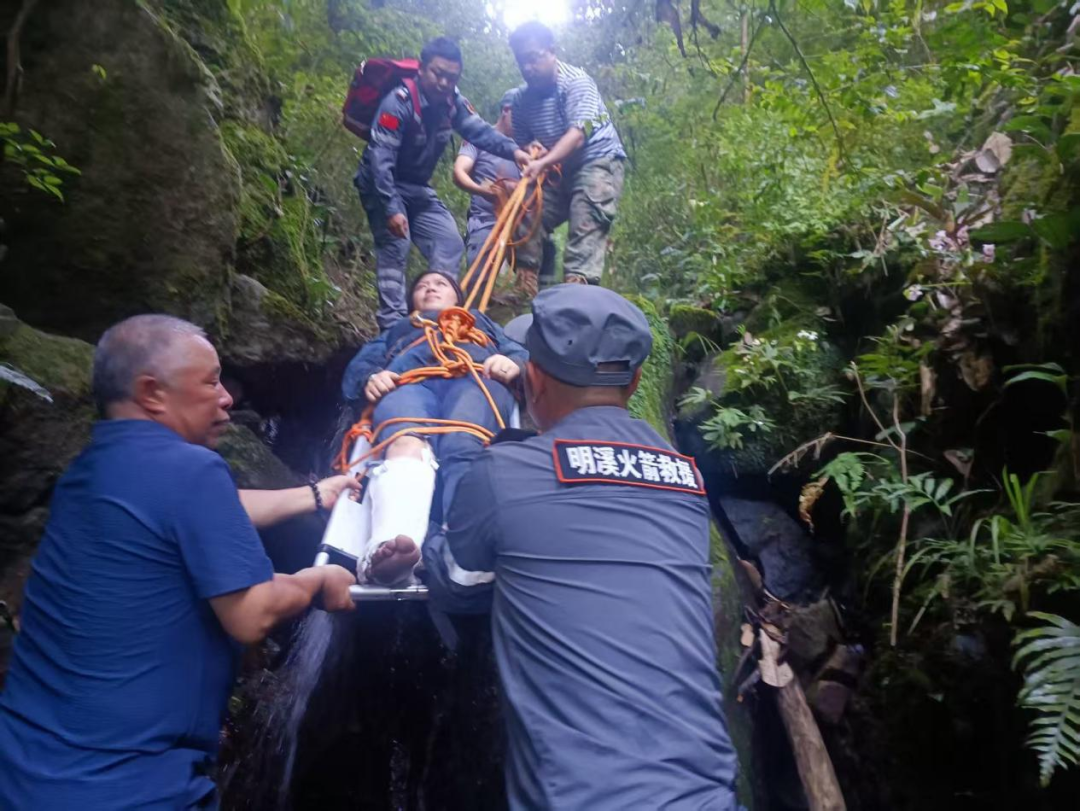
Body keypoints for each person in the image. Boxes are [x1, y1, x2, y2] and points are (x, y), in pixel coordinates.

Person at [0, 314, 358, 810]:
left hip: (23, 770)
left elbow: (209, 510)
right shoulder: (191, 468)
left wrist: (315, 495)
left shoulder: (89, 473)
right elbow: (252, 613)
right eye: (211, 382)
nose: (227, 397)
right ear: (152, 393)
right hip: (127, 787)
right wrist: (317, 581)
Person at [424, 286, 739, 809]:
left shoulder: (504, 471)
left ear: (532, 378)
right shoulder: (686, 479)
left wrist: (432, 540)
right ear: (635, 381)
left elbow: (456, 585)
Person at [340, 270, 526, 585]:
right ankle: (393, 545)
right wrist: (371, 377)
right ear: (412, 300)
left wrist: (514, 365)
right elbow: (360, 366)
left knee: (464, 441)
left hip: (475, 376)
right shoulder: (399, 329)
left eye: (440, 284)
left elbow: (518, 353)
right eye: (422, 286)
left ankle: (462, 550)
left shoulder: (481, 322)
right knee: (404, 437)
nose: (430, 288)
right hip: (408, 382)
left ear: (458, 298)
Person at [356, 36, 531, 330]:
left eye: (452, 77)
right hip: (381, 184)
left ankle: (436, 321)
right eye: (438, 74)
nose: (444, 83)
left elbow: (480, 132)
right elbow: (380, 160)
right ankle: (393, 328)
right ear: (422, 69)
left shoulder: (453, 103)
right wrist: (391, 208)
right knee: (396, 245)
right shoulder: (398, 103)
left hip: (417, 186)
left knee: (448, 241)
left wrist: (515, 152)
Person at [508, 21, 628, 286]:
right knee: (525, 205)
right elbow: (523, 141)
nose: (527, 68)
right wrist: (532, 150)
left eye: (533, 58)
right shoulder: (520, 100)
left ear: (552, 51)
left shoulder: (576, 83)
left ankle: (578, 290)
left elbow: (577, 136)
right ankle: (525, 285)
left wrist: (544, 162)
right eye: (521, 61)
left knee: (587, 217)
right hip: (559, 169)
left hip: (597, 161)